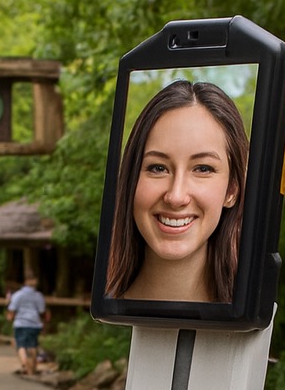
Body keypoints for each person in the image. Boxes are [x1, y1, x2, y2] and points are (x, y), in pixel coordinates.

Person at [106, 80, 248, 303]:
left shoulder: (256, 316)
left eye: (203, 169)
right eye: (158, 168)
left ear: (232, 190)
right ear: (130, 181)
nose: (176, 196)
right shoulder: (102, 308)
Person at [7, 273, 48, 376]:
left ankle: (25, 363)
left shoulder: (18, 295)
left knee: (21, 345)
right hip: (34, 323)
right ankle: (32, 368)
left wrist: (10, 318)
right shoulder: (38, 296)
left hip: (20, 323)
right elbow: (42, 311)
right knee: (33, 346)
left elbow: (12, 309)